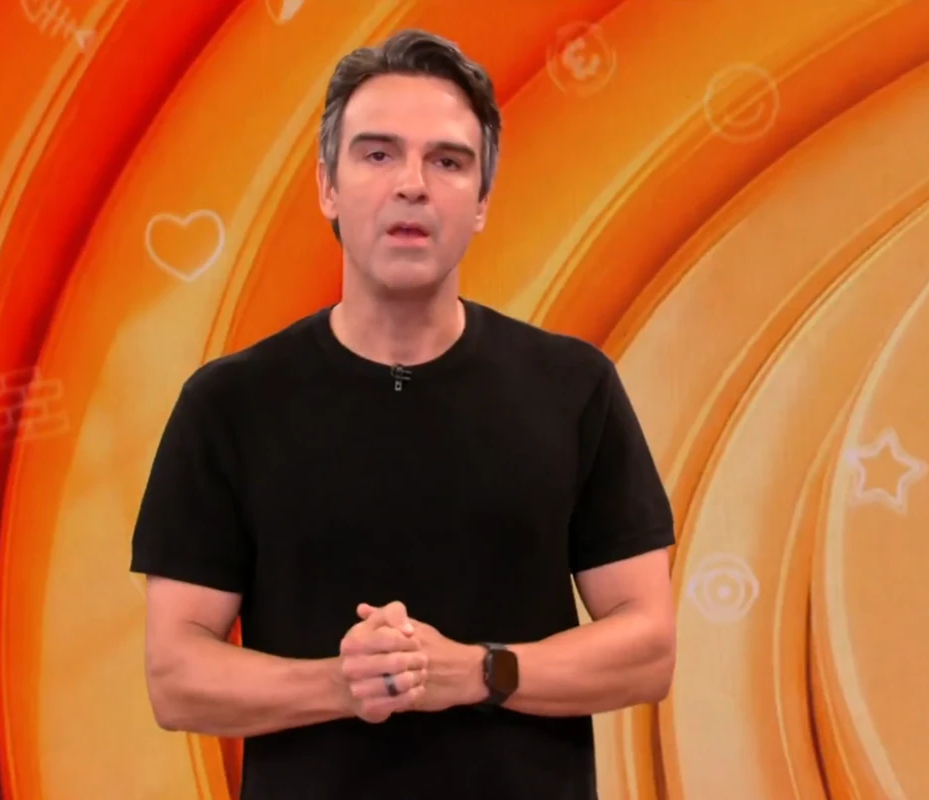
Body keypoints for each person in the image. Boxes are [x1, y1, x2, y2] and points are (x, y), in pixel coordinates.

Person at [130, 28, 677, 800]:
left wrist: (480, 672)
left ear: (482, 200)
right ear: (328, 186)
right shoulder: (228, 404)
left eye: (447, 161)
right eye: (378, 154)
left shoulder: (574, 386)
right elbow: (175, 676)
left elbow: (648, 647)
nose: (411, 185)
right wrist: (344, 684)